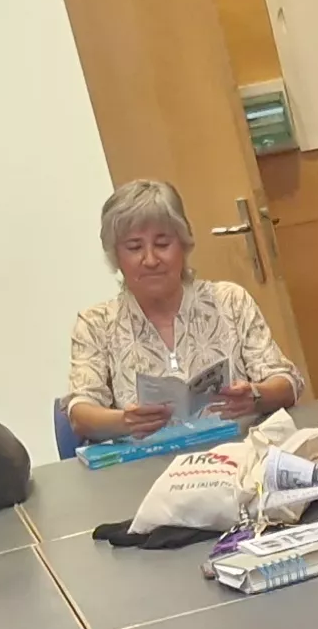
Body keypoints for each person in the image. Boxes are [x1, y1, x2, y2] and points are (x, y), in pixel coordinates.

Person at [64, 178, 302, 441]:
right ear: (116, 256)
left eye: (163, 244)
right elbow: (80, 413)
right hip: (146, 468)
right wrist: (126, 421)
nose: (151, 260)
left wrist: (256, 396)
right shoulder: (96, 324)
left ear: (184, 245)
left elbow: (287, 383)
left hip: (240, 454)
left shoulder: (230, 301)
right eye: (134, 248)